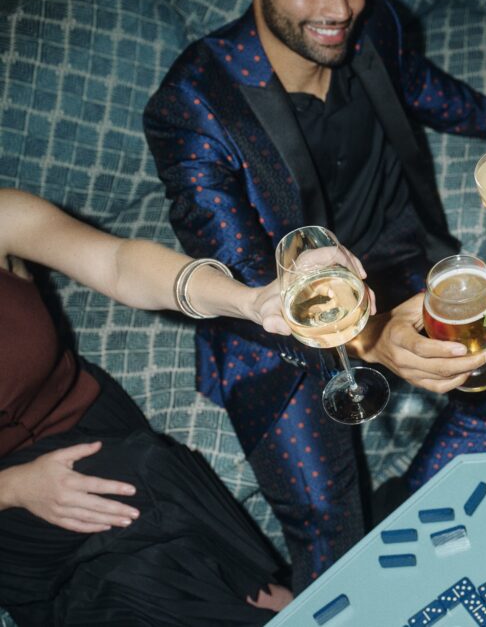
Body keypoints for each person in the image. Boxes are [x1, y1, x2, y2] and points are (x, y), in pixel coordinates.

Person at [143, 0, 486, 592]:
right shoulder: (191, 105)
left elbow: (433, 94)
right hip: (272, 329)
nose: (341, 7)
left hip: (396, 263)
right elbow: (246, 272)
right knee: (328, 522)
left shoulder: (373, 23)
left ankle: (406, 505)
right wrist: (369, 335)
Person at [0, 189, 365, 624]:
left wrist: (248, 301)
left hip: (90, 422)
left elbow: (117, 264)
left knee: (146, 495)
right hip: (10, 506)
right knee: (128, 578)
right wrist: (14, 487)